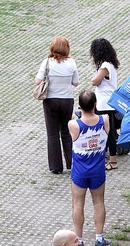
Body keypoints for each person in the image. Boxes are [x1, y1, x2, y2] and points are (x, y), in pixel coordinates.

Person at [68, 89, 112, 246]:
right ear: (95, 104)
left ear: (79, 105)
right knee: (99, 202)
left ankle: (78, 241)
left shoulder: (73, 124)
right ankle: (99, 238)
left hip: (79, 172)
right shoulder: (105, 120)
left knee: (78, 204)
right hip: (98, 171)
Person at [35, 36, 79, 174]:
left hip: (51, 100)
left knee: (52, 134)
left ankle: (55, 167)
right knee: (66, 132)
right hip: (67, 100)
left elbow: (37, 81)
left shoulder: (47, 62)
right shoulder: (71, 63)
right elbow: (75, 83)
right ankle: (71, 163)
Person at [90, 38, 120, 170]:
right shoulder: (111, 65)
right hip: (110, 102)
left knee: (107, 133)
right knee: (110, 132)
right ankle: (111, 159)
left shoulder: (105, 66)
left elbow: (95, 81)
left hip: (104, 103)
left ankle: (112, 160)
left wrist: (94, 77)